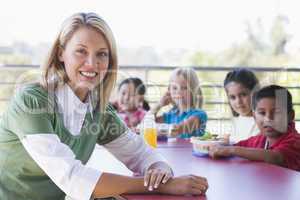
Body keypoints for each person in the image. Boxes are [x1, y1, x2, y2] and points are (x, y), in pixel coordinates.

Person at [0, 12, 208, 200]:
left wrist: (159, 168)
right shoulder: (31, 102)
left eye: (102, 54)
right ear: (60, 54)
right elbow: (73, 178)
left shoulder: (98, 110)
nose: (92, 63)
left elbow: (140, 153)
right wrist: (161, 187)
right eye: (81, 51)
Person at [209, 85, 300, 171]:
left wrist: (232, 150)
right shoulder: (259, 140)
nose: (268, 119)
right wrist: (217, 147)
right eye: (262, 113)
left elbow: (275, 157)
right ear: (254, 116)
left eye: (276, 113)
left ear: (290, 116)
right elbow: (232, 148)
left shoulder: (295, 140)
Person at [151, 67, 207, 139]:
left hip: (190, 150)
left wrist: (155, 129)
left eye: (184, 88)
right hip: (171, 150)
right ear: (169, 91)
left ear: (194, 90)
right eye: (174, 88)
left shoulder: (199, 115)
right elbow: (147, 123)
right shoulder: (170, 115)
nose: (179, 92)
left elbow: (177, 129)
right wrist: (159, 105)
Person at [223, 68, 260, 142]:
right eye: (233, 97)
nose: (238, 101)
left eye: (243, 95)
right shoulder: (237, 120)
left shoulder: (261, 123)